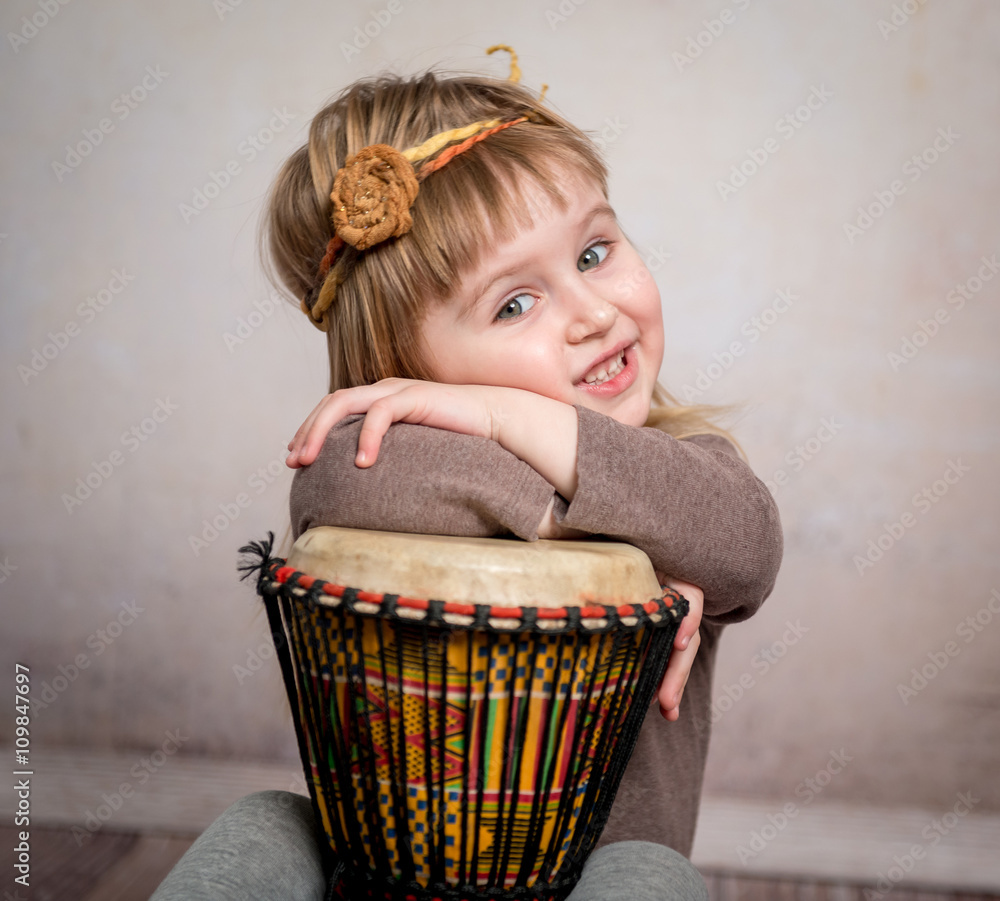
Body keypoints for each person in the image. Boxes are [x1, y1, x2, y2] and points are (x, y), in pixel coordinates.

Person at [153, 48, 781, 901]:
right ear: (405, 373)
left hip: (589, 882)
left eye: (595, 252)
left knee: (650, 874)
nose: (594, 314)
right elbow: (339, 480)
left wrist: (519, 417)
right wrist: (615, 531)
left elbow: (744, 541)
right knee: (268, 821)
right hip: (385, 880)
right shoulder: (382, 456)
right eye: (514, 304)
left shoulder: (690, 469)